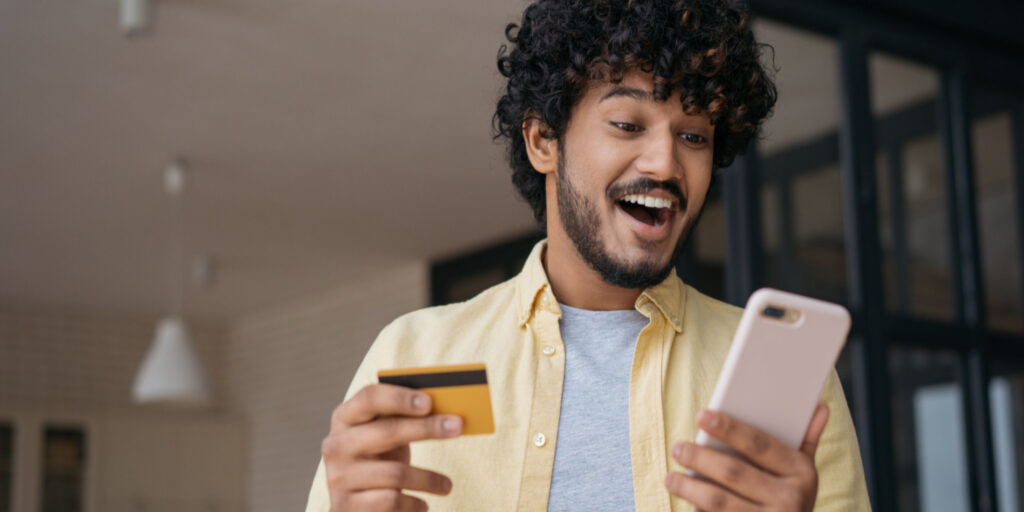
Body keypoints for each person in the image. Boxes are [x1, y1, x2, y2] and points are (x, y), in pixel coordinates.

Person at [306, 0, 870, 510]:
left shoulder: (793, 384)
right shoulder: (415, 354)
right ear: (543, 141)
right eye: (628, 124)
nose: (665, 164)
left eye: (694, 136)